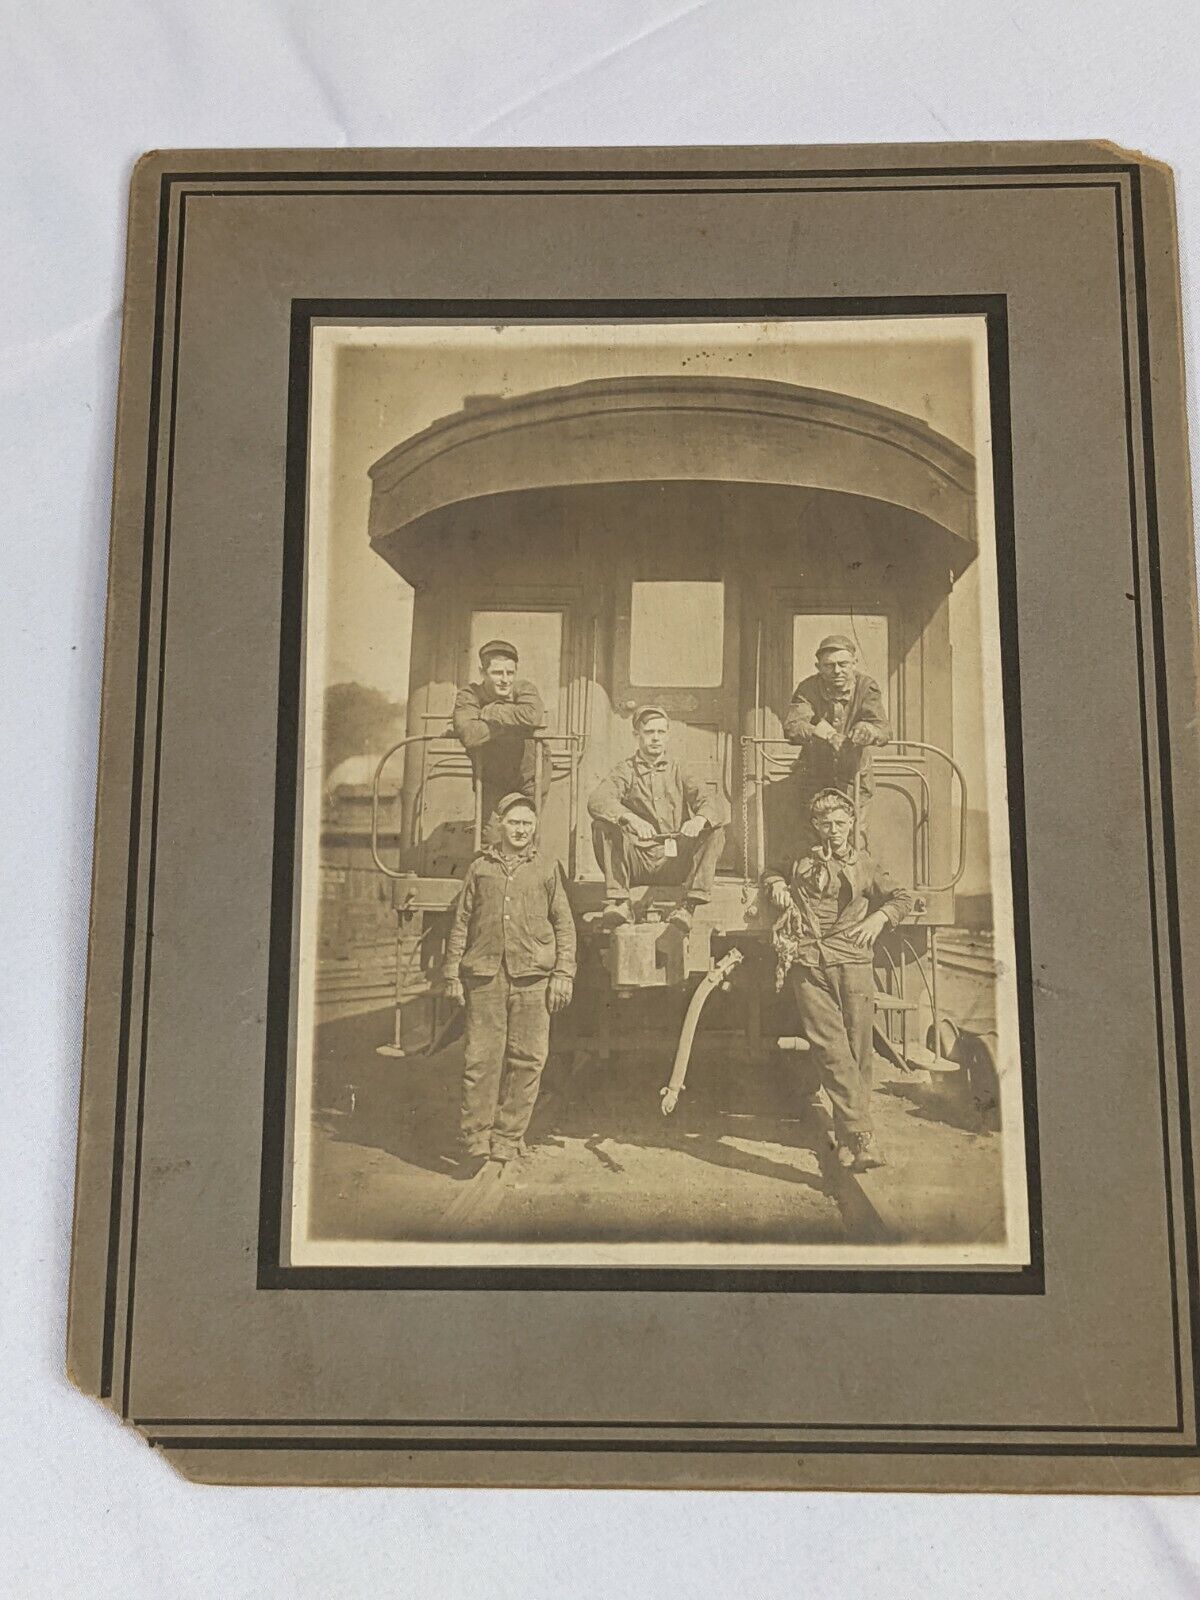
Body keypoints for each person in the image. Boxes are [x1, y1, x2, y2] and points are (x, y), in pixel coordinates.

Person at [763, 787, 912, 1172]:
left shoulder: (864, 864)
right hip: (809, 960)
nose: (834, 830)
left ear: (852, 824)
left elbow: (901, 898)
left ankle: (848, 1137)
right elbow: (772, 871)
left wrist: (878, 919)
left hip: (853, 959)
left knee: (858, 1048)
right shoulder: (800, 859)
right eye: (825, 823)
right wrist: (777, 885)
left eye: (841, 823)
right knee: (831, 1048)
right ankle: (864, 1136)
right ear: (815, 825)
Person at [442, 793, 576, 1170]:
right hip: (484, 977)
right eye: (515, 823)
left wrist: (564, 973)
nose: (521, 831)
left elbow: (564, 925)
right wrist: (452, 973)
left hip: (533, 979)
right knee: (481, 1059)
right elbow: (461, 923)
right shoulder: (480, 869)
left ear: (534, 829)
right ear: (500, 825)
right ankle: (475, 1138)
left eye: (527, 825)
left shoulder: (547, 868)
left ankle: (507, 1138)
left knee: (529, 1059)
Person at [587, 706, 727, 933]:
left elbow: (712, 802)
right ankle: (621, 902)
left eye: (661, 732)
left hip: (675, 862)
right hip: (638, 860)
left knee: (715, 830)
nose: (655, 738)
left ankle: (688, 907)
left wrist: (699, 820)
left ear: (668, 736)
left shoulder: (680, 768)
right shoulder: (625, 770)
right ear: (636, 735)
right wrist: (629, 818)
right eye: (649, 732)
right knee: (602, 825)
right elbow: (598, 800)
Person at [784, 633, 890, 846]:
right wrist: (828, 734)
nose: (837, 671)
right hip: (814, 777)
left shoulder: (867, 687)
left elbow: (883, 730)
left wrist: (868, 729)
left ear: (854, 663)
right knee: (812, 839)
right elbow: (793, 727)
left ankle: (854, 879)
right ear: (818, 666)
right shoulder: (807, 688)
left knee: (855, 839)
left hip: (854, 777)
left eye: (843, 664)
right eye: (829, 665)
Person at [452, 639, 551, 844]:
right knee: (491, 837)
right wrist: (514, 724)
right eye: (497, 673)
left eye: (510, 673)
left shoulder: (524, 688)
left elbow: (532, 716)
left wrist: (490, 711)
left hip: (530, 775)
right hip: (492, 777)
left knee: (526, 836)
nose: (505, 680)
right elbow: (470, 734)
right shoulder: (469, 695)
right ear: (482, 672)